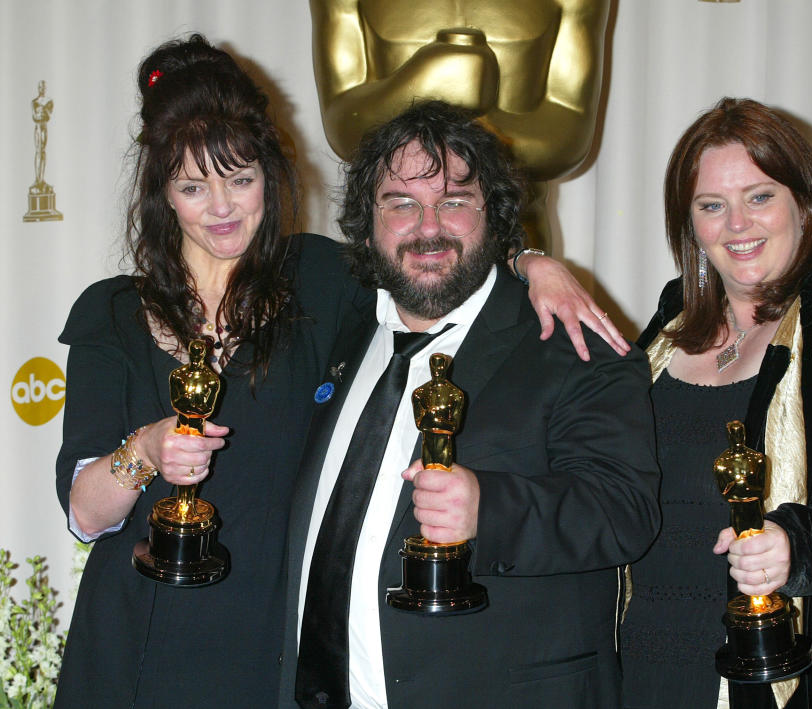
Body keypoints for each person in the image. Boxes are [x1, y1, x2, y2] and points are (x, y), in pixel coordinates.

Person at [54, 34, 624, 708]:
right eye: (193, 185)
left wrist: (531, 260)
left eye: (240, 178)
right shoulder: (112, 312)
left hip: (269, 656)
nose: (223, 207)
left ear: (270, 173)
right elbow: (84, 511)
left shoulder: (324, 281)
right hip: (133, 649)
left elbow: (429, 258)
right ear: (163, 194)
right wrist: (146, 449)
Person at [279, 100, 661, 709]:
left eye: (454, 201)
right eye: (401, 203)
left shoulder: (573, 343)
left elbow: (625, 511)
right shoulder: (340, 325)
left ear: (495, 215)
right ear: (367, 220)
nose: (428, 226)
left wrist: (490, 508)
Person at [620, 97, 812, 709]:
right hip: (641, 663)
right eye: (712, 206)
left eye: (759, 196)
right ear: (690, 225)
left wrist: (799, 544)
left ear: (804, 203)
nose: (737, 225)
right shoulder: (664, 331)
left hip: (791, 678)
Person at [309, 0, 612, 249]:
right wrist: (426, 81)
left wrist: (476, 119)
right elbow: (344, 130)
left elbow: (568, 139)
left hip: (512, 242)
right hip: (395, 235)